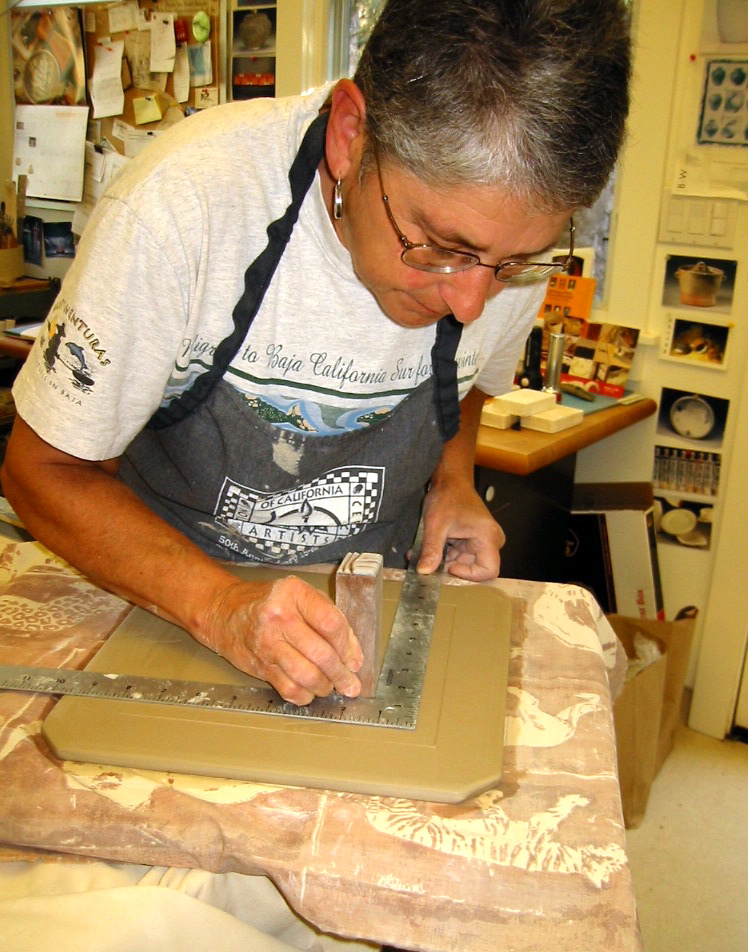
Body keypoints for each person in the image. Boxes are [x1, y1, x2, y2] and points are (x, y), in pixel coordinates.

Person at [2, 0, 631, 711]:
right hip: (169, 606)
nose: (471, 302)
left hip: (369, 611)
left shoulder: (507, 245)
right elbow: (40, 471)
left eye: (512, 264)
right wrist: (221, 607)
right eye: (441, 247)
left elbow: (471, 385)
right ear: (350, 135)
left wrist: (452, 484)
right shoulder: (181, 208)